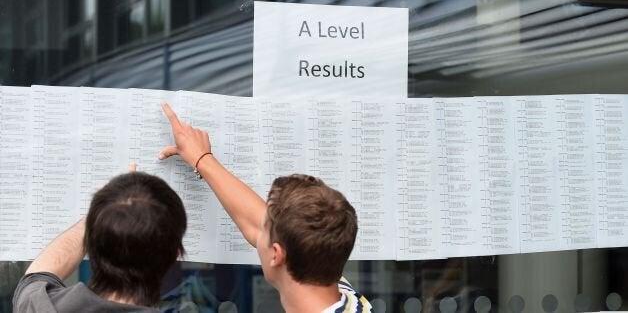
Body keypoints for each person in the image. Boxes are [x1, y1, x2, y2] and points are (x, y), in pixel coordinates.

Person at [159, 103, 373, 313]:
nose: (259, 231)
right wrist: (202, 159)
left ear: (276, 254)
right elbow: (256, 222)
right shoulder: (349, 301)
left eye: (265, 229)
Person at [12, 164, 187, 312]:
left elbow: (37, 275)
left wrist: (110, 207)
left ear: (91, 243)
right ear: (175, 254)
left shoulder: (38, 305)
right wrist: (204, 160)